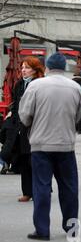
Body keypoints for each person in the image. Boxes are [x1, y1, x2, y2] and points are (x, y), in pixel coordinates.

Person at [18, 52, 81, 241]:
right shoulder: (75, 87)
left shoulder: (35, 86)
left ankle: (42, 230)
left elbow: (25, 115)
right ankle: (71, 229)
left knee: (41, 188)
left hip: (41, 146)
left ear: (47, 67)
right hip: (66, 145)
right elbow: (79, 115)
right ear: (64, 67)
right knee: (69, 188)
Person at [1, 57, 45, 202]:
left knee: (36, 160)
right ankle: (27, 192)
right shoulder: (19, 84)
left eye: (26, 67)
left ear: (35, 69)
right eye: (22, 67)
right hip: (19, 126)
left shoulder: (40, 84)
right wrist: (12, 116)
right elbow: (15, 104)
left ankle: (41, 189)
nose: (23, 70)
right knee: (24, 158)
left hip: (36, 126)